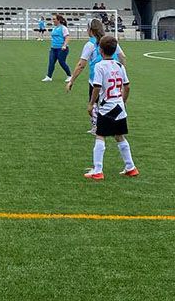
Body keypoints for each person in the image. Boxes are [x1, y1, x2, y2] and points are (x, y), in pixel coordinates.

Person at [84, 35, 138, 180]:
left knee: (100, 135)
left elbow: (96, 87)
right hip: (119, 106)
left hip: (107, 107)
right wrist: (123, 101)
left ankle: (98, 170)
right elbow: (127, 87)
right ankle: (130, 167)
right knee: (119, 135)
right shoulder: (120, 66)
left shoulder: (99, 66)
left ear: (100, 50)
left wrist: (91, 104)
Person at [67, 18, 126, 133]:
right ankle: (112, 123)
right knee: (111, 100)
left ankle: (97, 126)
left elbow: (81, 65)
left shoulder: (90, 44)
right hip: (112, 77)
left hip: (96, 78)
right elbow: (122, 57)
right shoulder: (110, 41)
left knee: (93, 102)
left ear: (90, 30)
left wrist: (71, 80)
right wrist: (121, 71)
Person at [42, 13, 71, 82]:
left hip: (62, 49)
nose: (53, 20)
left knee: (61, 62)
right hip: (53, 48)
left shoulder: (63, 28)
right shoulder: (54, 28)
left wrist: (64, 45)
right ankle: (49, 77)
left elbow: (67, 37)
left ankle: (69, 75)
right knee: (51, 62)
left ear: (59, 20)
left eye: (54, 19)